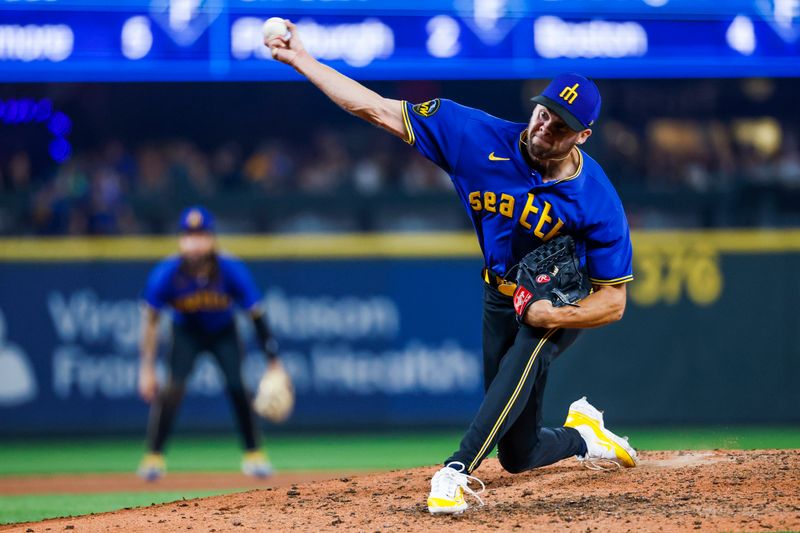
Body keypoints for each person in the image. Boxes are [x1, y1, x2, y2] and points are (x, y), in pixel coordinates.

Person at [265, 22, 637, 514]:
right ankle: (584, 438)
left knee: (529, 350)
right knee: (520, 452)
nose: (546, 126)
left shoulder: (597, 198)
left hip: (557, 297)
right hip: (499, 294)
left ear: (583, 136)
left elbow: (614, 301)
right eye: (545, 113)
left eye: (561, 125)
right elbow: (373, 108)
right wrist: (302, 61)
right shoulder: (470, 134)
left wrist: (554, 316)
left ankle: (455, 471)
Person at [137, 206, 282, 481]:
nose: (195, 241)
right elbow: (152, 321)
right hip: (186, 331)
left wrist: (273, 360)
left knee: (237, 386)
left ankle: (254, 455)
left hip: (222, 331)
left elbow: (256, 314)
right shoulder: (167, 273)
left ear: (212, 238)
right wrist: (146, 368)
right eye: (189, 235)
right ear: (181, 239)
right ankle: (153, 456)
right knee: (172, 389)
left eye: (201, 234)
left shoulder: (230, 269)